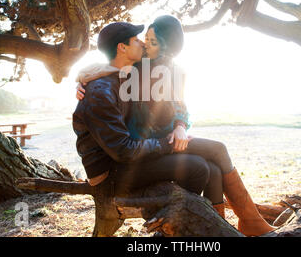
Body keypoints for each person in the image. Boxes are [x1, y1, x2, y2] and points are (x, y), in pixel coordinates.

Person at [76, 16, 276, 236]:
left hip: (153, 143)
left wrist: (180, 125)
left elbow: (179, 103)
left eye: (152, 41)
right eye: (143, 39)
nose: (144, 44)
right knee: (214, 153)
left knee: (215, 169)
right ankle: (244, 221)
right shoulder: (133, 68)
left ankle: (222, 228)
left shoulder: (167, 70)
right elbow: (107, 64)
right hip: (134, 153)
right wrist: (83, 78)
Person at [73, 22, 211, 204]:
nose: (143, 44)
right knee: (198, 168)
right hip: (110, 174)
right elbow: (123, 150)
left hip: (123, 161)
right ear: (122, 47)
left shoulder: (123, 76)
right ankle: (173, 222)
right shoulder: (100, 92)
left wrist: (179, 126)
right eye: (137, 40)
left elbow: (103, 68)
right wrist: (167, 143)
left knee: (209, 165)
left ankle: (223, 221)